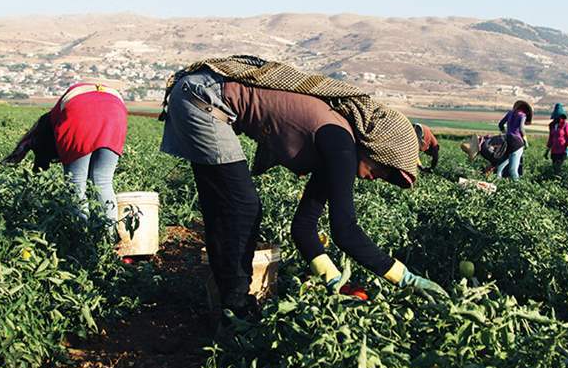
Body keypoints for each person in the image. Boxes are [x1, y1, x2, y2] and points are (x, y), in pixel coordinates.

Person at [159, 55, 444, 318]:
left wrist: (335, 282)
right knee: (242, 207)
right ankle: (237, 308)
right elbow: (345, 231)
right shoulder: (340, 145)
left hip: (199, 94)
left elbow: (303, 227)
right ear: (378, 150)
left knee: (224, 207)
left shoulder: (334, 151)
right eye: (385, 172)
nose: (377, 178)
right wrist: (404, 278)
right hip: (205, 97)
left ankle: (225, 302)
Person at [3, 83, 129, 224]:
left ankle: (81, 234)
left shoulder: (54, 118)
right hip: (115, 114)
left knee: (76, 183)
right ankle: (107, 237)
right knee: (103, 181)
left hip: (79, 113)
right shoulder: (74, 99)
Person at [496, 100, 533, 181]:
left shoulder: (510, 113)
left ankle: (497, 183)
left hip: (507, 141)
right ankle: (519, 187)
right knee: (513, 170)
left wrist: (505, 132)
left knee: (500, 168)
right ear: (525, 110)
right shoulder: (522, 115)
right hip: (517, 143)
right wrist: (525, 141)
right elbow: (521, 128)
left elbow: (500, 124)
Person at [544, 103, 568, 173]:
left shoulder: (566, 125)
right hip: (554, 151)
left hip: (562, 150)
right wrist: (547, 150)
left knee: (560, 168)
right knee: (554, 168)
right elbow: (550, 138)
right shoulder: (552, 125)